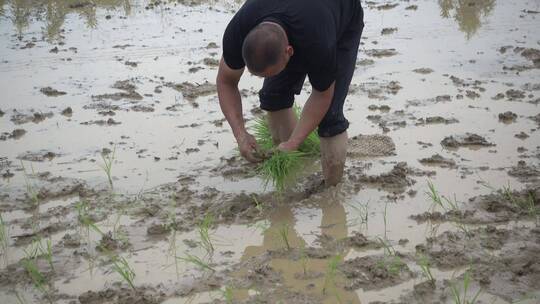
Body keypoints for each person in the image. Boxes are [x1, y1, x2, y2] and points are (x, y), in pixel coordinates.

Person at [216, 0, 364, 186]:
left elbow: (322, 95)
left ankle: (331, 193)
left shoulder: (319, 43)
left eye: (272, 72)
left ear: (289, 51)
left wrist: (294, 141)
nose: (264, 79)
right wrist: (240, 134)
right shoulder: (238, 30)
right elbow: (225, 81)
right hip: (300, 19)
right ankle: (294, 177)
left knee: (330, 117)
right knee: (273, 95)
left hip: (341, 14)